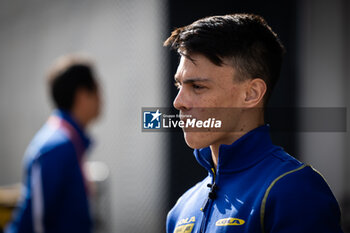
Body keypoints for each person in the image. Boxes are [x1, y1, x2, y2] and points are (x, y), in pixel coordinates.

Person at [163, 14, 343, 233]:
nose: (178, 102)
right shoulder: (180, 210)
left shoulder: (294, 190)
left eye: (198, 87)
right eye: (179, 85)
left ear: (251, 94)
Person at [5, 55, 101, 233]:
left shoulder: (67, 141)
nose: (101, 98)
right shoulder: (56, 147)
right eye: (96, 89)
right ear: (82, 96)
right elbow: (33, 223)